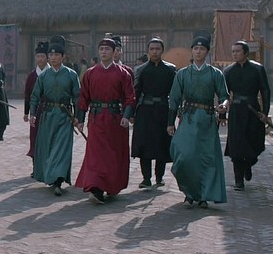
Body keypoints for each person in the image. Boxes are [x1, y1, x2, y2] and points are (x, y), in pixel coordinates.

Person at [167, 36, 230, 209]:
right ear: (192, 51)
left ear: (207, 52)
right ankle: (189, 191)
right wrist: (170, 123)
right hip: (188, 117)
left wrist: (224, 107)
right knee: (183, 155)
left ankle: (203, 195)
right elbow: (174, 99)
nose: (198, 52)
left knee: (206, 159)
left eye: (202, 49)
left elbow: (224, 96)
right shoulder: (182, 74)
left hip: (207, 119)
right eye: (195, 48)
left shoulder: (215, 73)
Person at [74, 37, 136, 204]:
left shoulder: (123, 73)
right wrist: (80, 119)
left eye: (107, 49)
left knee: (113, 154)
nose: (104, 52)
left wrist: (126, 116)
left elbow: (130, 98)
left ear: (114, 52)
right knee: (96, 154)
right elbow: (83, 98)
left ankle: (111, 185)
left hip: (116, 120)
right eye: (101, 49)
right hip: (96, 119)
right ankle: (96, 188)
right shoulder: (90, 73)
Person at [29, 36, 80, 196]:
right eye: (50, 55)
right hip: (47, 115)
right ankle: (50, 176)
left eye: (56, 55)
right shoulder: (44, 76)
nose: (53, 58)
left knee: (61, 147)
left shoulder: (71, 75)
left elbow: (77, 98)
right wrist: (32, 113)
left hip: (64, 116)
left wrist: (78, 117)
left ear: (63, 57)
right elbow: (35, 96)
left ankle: (58, 180)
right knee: (49, 147)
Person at [223, 40, 271, 191]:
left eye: (237, 51)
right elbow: (224, 94)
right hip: (236, 111)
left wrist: (265, 112)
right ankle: (238, 180)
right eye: (233, 51)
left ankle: (248, 164)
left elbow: (265, 90)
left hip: (253, 110)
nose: (234, 54)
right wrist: (223, 111)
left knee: (255, 142)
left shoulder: (257, 69)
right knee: (236, 146)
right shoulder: (228, 71)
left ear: (245, 52)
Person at [131, 37, 177, 189]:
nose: (155, 52)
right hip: (145, 111)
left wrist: (174, 113)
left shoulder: (170, 69)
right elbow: (136, 92)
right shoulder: (141, 70)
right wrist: (131, 113)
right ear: (148, 51)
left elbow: (175, 93)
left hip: (163, 110)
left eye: (157, 49)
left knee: (161, 144)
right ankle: (146, 178)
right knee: (144, 144)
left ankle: (159, 177)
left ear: (162, 50)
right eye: (152, 49)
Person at [24, 41, 49, 177]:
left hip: (50, 111)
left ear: (47, 58)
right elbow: (28, 95)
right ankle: (36, 167)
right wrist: (26, 112)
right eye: (38, 56)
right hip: (36, 112)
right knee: (35, 138)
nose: (40, 59)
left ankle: (47, 167)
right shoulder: (32, 76)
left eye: (42, 56)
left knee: (48, 139)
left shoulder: (51, 73)